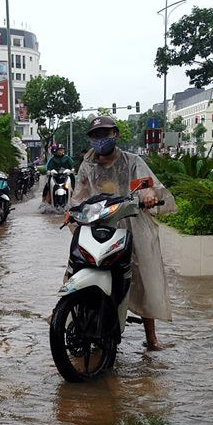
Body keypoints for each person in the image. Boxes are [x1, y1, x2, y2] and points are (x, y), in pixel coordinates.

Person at [69, 116, 177, 351]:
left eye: (105, 134)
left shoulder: (132, 161)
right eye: (96, 135)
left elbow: (148, 185)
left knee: (144, 275)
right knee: (77, 264)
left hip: (132, 224)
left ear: (115, 134)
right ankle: (72, 317)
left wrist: (148, 194)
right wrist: (72, 211)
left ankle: (151, 339)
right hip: (99, 224)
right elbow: (79, 194)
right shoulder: (87, 166)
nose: (100, 139)